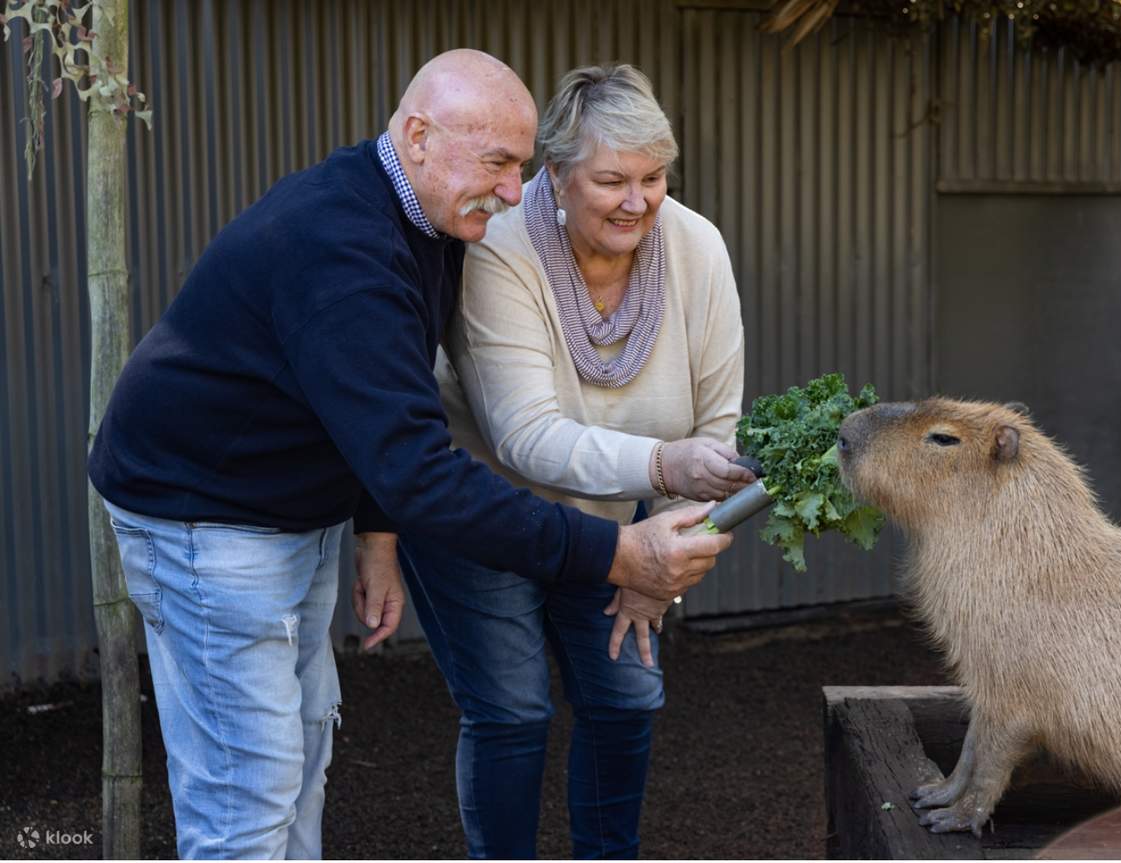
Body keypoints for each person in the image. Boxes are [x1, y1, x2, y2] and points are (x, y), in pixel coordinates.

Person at [87, 50, 732, 860]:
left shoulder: (421, 215)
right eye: (498, 163)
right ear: (418, 136)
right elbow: (422, 467)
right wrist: (616, 549)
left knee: (300, 757)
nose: (510, 192)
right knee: (245, 794)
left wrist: (371, 530)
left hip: (291, 507)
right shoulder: (344, 252)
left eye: (520, 166)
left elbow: (389, 399)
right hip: (204, 517)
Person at [358, 64, 755, 858]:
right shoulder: (501, 248)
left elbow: (718, 435)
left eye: (653, 177)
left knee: (627, 698)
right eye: (611, 180)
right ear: (557, 175)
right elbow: (525, 436)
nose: (638, 201)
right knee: (511, 711)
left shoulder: (695, 245)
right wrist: (668, 471)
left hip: (620, 518)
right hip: (484, 511)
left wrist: (664, 557)